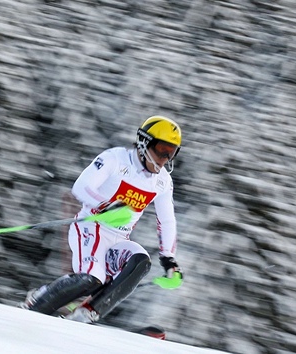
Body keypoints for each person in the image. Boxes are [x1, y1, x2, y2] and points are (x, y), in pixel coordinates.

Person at [20, 115, 183, 323]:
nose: (165, 158)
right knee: (91, 279)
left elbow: (167, 220)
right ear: (144, 142)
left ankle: (88, 312)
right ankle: (38, 301)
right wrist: (106, 206)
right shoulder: (115, 159)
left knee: (141, 262)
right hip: (91, 227)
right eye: (162, 149)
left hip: (120, 237)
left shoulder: (163, 182)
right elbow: (81, 187)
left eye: (172, 152)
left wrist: (169, 259)